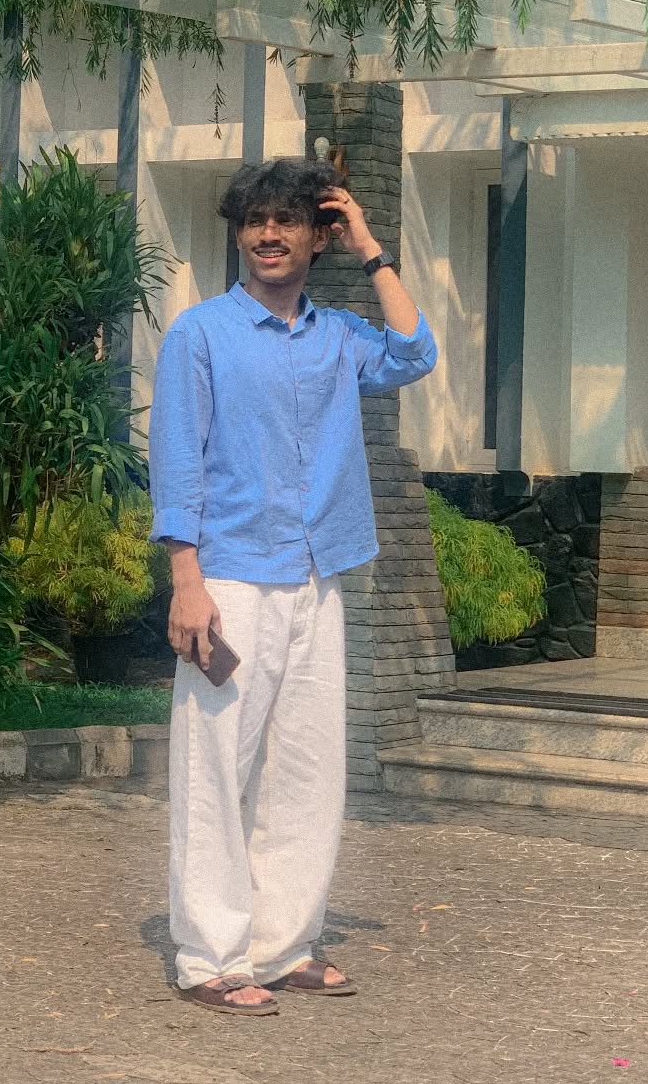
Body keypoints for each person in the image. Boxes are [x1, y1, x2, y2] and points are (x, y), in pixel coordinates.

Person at [148, 156, 438, 1016]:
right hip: (231, 578)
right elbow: (177, 462)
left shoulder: (339, 336)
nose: (268, 236)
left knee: (307, 769)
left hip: (318, 576)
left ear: (318, 237)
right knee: (215, 769)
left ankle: (282, 946)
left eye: (287, 221)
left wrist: (371, 248)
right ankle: (209, 956)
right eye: (254, 221)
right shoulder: (200, 334)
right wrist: (186, 581)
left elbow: (416, 351)